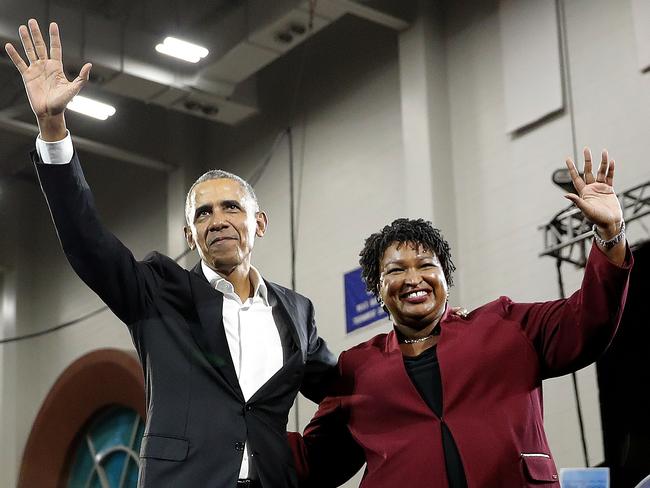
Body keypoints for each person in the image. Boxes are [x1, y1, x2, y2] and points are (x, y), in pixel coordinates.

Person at [5, 19, 336, 488]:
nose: (217, 220)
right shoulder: (157, 290)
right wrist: (53, 127)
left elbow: (350, 391)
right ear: (189, 233)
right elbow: (87, 241)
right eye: (202, 214)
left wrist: (435, 335)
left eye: (230, 208)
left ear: (258, 223)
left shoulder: (297, 313)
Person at [289, 149, 633, 487]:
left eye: (426, 265)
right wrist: (240, 431)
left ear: (446, 279)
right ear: (378, 290)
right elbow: (313, 464)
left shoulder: (506, 323)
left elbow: (588, 321)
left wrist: (611, 235)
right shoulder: (356, 369)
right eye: (396, 271)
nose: (412, 279)